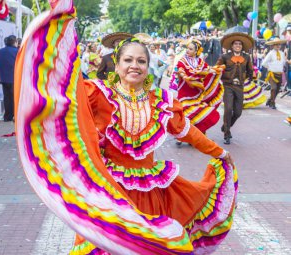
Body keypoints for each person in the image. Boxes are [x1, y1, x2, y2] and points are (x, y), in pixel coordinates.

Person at [15, 2, 237, 254]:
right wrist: (62, 33)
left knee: (145, 246)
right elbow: (66, 93)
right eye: (128, 60)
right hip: (110, 188)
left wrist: (218, 152)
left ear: (147, 67)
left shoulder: (161, 100)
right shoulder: (98, 94)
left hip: (151, 189)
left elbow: (187, 131)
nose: (135, 65)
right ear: (117, 65)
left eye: (141, 61)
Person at [171, 39, 224, 141]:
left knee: (205, 114)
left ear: (196, 51)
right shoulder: (182, 61)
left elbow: (207, 71)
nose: (187, 51)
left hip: (197, 95)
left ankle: (198, 136)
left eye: (190, 49)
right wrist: (185, 77)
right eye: (187, 48)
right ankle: (181, 135)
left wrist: (216, 70)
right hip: (185, 93)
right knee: (186, 113)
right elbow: (180, 70)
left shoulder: (200, 62)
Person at [217, 32, 254, 144]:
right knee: (228, 109)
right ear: (232, 46)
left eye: (240, 44)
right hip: (228, 86)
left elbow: (250, 71)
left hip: (239, 87)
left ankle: (226, 126)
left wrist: (245, 78)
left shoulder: (246, 57)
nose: (238, 45)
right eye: (236, 44)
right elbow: (217, 68)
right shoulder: (224, 57)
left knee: (238, 112)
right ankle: (227, 134)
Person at [262, 37, 291, 109]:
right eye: (276, 44)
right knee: (274, 88)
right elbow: (264, 63)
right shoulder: (270, 53)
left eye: (279, 44)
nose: (278, 46)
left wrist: (287, 61)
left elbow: (284, 62)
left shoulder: (281, 53)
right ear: (273, 45)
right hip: (272, 74)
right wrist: (269, 68)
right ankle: (272, 103)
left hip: (279, 74)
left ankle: (269, 100)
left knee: (277, 89)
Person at [0, 35, 18, 121]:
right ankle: (15, 116)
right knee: (14, 98)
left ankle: (7, 116)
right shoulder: (17, 52)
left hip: (3, 79)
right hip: (14, 78)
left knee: (6, 97)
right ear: (15, 42)